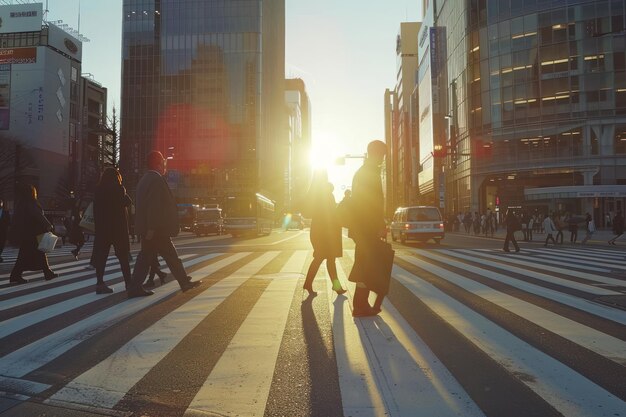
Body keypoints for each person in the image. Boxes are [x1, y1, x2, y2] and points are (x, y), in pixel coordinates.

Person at [129, 151, 201, 297]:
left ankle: (135, 287)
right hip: (157, 229)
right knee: (167, 256)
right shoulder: (156, 179)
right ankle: (183, 282)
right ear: (158, 163)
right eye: (163, 161)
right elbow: (154, 206)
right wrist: (152, 228)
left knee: (148, 257)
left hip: (152, 228)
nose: (164, 165)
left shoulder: (145, 179)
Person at [348, 140, 387, 317]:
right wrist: (380, 224)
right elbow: (372, 202)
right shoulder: (369, 173)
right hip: (367, 226)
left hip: (361, 226)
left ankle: (361, 304)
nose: (383, 158)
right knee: (366, 265)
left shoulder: (362, 172)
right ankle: (360, 305)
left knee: (364, 265)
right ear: (376, 153)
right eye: (383, 154)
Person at [302, 173, 346, 297]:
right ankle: (310, 283)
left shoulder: (319, 197)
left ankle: (334, 286)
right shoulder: (326, 197)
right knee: (323, 259)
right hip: (325, 234)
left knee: (326, 260)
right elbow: (332, 215)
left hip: (320, 233)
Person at [91, 168, 134, 294]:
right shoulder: (118, 189)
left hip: (102, 229)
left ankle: (100, 283)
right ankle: (128, 283)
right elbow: (128, 202)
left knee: (102, 256)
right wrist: (122, 189)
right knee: (123, 257)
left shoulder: (98, 190)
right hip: (117, 228)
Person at [8, 183, 58, 284]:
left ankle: (46, 272)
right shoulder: (31, 202)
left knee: (34, 253)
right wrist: (49, 225)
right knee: (32, 254)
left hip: (26, 233)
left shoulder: (21, 203)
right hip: (33, 233)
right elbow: (38, 215)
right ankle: (16, 275)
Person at [0, 198, 11, 263]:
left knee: (2, 244)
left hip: (3, 231)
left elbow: (8, 222)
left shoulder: (6, 212)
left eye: (1, 203)